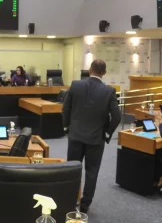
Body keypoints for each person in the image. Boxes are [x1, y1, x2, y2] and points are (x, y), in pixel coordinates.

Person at [62, 60, 121, 214]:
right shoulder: (109, 91)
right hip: (96, 139)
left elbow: (65, 108)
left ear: (89, 70)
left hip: (75, 135)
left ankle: (69, 200)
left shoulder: (75, 85)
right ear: (104, 72)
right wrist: (107, 133)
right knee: (91, 172)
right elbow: (117, 116)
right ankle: (85, 205)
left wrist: (66, 127)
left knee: (72, 169)